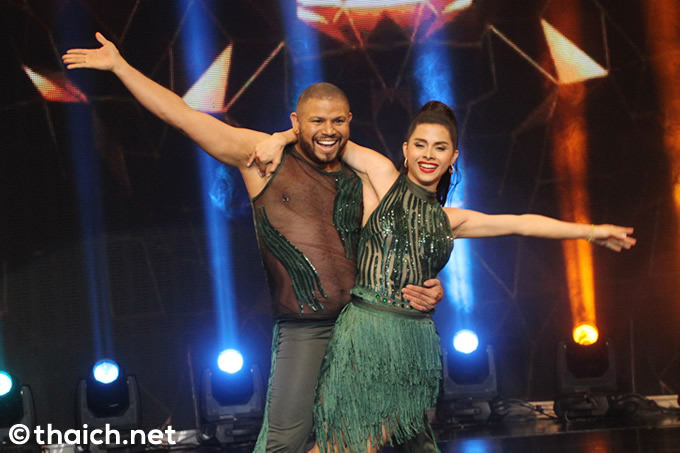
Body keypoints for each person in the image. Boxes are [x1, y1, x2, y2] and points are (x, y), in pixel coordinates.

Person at [62, 33, 444, 453]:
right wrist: (120, 67)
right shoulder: (262, 159)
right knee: (283, 442)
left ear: (350, 120)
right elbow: (182, 116)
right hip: (305, 328)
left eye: (338, 121)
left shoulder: (364, 173)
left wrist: (428, 285)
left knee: (407, 430)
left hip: (365, 325)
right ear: (296, 121)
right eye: (316, 121)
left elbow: (401, 245)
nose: (328, 130)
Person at [255, 100, 636, 453]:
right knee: (352, 441)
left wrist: (592, 232)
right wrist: (280, 138)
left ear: (453, 157)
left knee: (383, 438)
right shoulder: (382, 178)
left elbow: (521, 223)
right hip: (367, 334)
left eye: (440, 148)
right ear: (406, 150)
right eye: (420, 145)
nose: (428, 155)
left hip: (415, 342)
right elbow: (325, 136)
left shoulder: (449, 220)